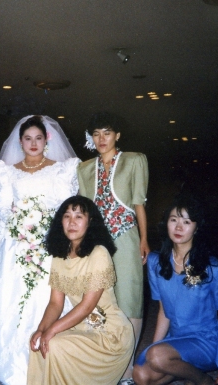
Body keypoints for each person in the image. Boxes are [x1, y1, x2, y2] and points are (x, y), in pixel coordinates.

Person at [0, 115, 80, 385]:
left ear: (46, 140)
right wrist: (8, 232)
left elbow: (65, 209)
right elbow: (4, 211)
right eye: (28, 138)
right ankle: (14, 363)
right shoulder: (7, 171)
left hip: (48, 245)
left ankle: (46, 360)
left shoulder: (60, 170)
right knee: (11, 300)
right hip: (16, 245)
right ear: (20, 141)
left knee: (45, 299)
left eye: (38, 138)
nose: (33, 143)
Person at [133, 194, 218, 385]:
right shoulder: (155, 263)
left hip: (208, 342)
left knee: (157, 357)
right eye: (173, 220)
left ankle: (203, 381)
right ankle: (187, 372)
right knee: (141, 375)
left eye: (186, 222)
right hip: (177, 340)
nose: (178, 227)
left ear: (197, 228)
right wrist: (154, 347)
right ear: (166, 223)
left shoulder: (215, 268)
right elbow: (164, 312)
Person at [28, 195, 134, 385]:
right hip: (82, 327)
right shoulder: (60, 256)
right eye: (67, 216)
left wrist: (51, 330)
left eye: (79, 216)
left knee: (53, 343)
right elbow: (55, 303)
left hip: (110, 334)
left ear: (90, 221)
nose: (72, 222)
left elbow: (87, 306)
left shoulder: (99, 253)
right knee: (38, 342)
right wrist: (41, 329)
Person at [77, 111, 149, 383]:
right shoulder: (85, 168)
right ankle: (106, 364)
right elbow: (85, 211)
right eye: (96, 134)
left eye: (107, 133)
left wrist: (144, 239)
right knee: (99, 301)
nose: (101, 139)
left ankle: (128, 367)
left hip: (127, 237)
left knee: (130, 299)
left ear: (117, 135)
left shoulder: (134, 160)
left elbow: (139, 203)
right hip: (97, 243)